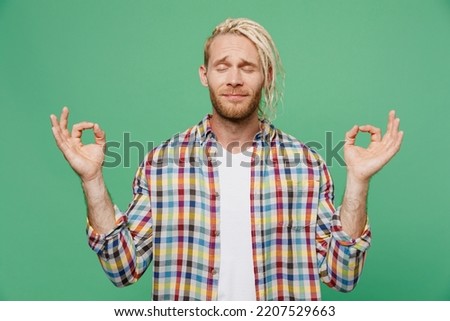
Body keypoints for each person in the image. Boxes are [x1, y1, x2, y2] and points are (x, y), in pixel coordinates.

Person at [50, 18, 403, 301]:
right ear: (205, 75)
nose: (234, 79)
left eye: (247, 67)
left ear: (265, 75)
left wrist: (358, 181)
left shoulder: (307, 165)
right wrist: (92, 179)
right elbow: (122, 269)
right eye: (223, 66)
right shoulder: (161, 165)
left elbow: (342, 277)